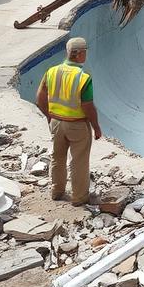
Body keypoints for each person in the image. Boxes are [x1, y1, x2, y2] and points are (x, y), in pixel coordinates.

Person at [34, 37, 102, 205]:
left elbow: (40, 97)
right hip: (77, 125)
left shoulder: (51, 71)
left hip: (56, 123)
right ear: (79, 54)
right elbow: (88, 106)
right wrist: (96, 127)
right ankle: (79, 198)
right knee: (79, 161)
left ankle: (57, 191)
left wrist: (49, 116)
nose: (85, 55)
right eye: (85, 52)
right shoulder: (83, 78)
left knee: (57, 158)